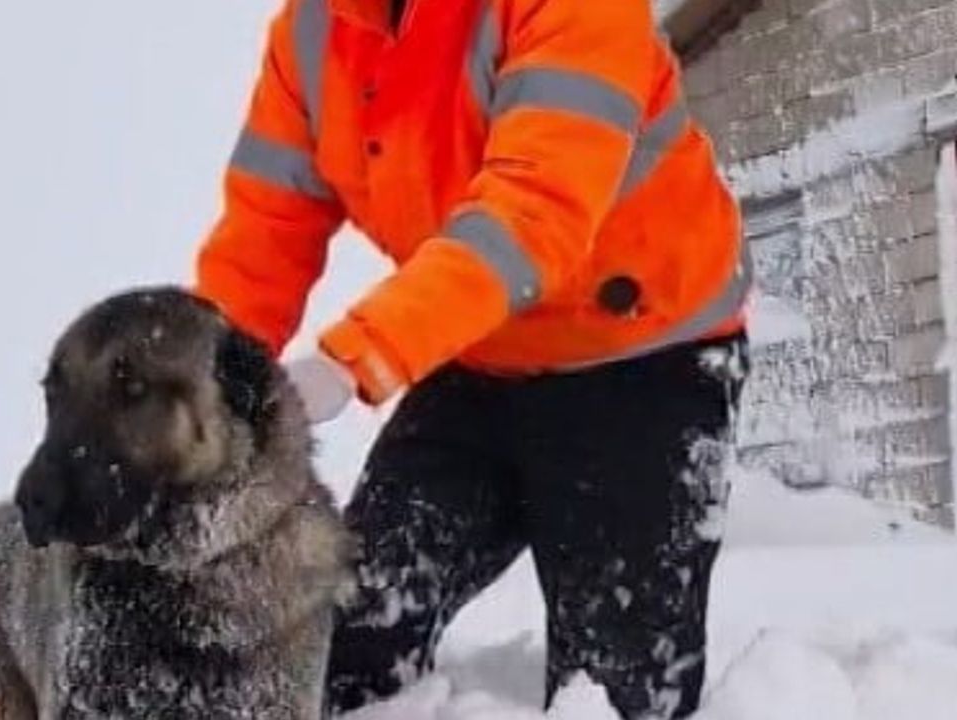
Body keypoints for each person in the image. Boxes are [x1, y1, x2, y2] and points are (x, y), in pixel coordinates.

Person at [193, 0, 751, 717]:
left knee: (612, 689)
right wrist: (199, 389)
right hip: (483, 357)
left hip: (646, 359)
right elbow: (265, 232)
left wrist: (353, 361)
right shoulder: (312, 33)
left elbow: (532, 213)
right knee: (349, 625)